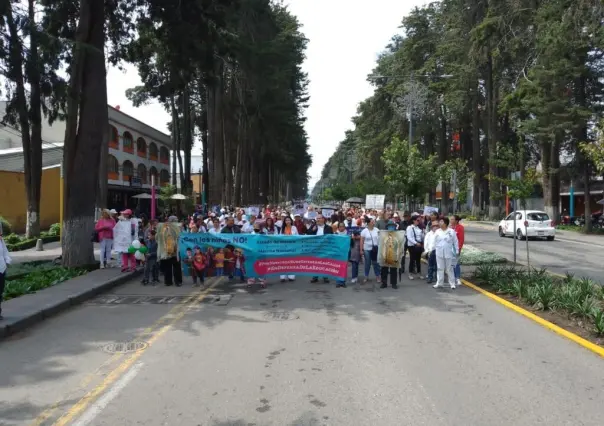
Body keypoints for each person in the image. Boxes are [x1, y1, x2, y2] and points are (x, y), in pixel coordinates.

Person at [433, 217, 459, 290]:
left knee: (449, 269)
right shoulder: (437, 231)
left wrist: (457, 250)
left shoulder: (451, 231)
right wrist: (432, 249)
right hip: (439, 252)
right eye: (439, 221)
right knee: (440, 268)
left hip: (448, 252)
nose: (440, 223)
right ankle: (439, 283)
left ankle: (452, 283)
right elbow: (434, 241)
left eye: (441, 221)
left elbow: (455, 241)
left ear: (446, 223)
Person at [307, 214, 333, 283]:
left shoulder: (328, 228)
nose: (318, 220)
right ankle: (315, 277)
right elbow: (308, 234)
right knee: (316, 263)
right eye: (317, 218)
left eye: (319, 218)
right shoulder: (313, 226)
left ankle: (325, 277)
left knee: (324, 262)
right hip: (316, 247)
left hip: (325, 247)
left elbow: (331, 238)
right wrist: (312, 230)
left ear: (323, 219)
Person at [379, 220, 400, 289]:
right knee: (384, 269)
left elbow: (400, 244)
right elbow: (381, 244)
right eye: (390, 226)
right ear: (387, 227)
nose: (391, 228)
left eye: (392, 226)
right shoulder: (383, 235)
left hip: (394, 253)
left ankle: (394, 283)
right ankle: (384, 283)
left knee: (393, 269)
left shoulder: (397, 235)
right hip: (385, 253)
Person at [360, 217, 381, 284]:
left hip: (375, 249)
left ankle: (377, 276)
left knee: (376, 263)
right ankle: (366, 276)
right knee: (367, 263)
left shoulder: (377, 230)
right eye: (372, 222)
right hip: (367, 249)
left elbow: (380, 239)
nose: (373, 223)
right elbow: (361, 241)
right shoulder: (364, 231)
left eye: (374, 222)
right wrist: (361, 250)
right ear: (368, 223)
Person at [279, 216, 298, 282]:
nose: (287, 221)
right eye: (286, 220)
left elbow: (297, 237)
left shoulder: (294, 228)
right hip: (284, 247)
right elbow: (279, 238)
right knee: (283, 262)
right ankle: (282, 277)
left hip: (292, 247)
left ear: (291, 221)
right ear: (284, 221)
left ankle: (291, 276)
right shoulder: (282, 228)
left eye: (289, 220)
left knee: (291, 261)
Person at [405, 215, 424, 280]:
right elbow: (409, 237)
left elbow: (421, 237)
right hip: (412, 246)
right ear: (413, 220)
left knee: (418, 260)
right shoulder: (410, 227)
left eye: (419, 220)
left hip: (418, 245)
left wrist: (423, 235)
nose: (418, 222)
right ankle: (410, 273)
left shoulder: (418, 228)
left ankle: (419, 273)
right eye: (417, 220)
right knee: (412, 260)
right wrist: (416, 243)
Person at [0, 225, 12, 320]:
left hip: (1, 269)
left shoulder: (0, 240)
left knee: (0, 291)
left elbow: (5, 252)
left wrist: (7, 261)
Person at [450, 214, 465, 287]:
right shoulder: (449, 228)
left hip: (455, 248)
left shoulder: (460, 228)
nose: (451, 220)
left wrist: (458, 249)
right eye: (450, 219)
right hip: (448, 248)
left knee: (456, 263)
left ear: (456, 221)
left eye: (452, 219)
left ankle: (457, 278)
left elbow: (461, 240)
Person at [335, 222, 349, 288]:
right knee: (337, 267)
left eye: (343, 226)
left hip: (345, 253)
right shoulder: (335, 234)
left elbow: (351, 244)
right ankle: (338, 282)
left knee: (344, 268)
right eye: (340, 226)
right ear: (338, 227)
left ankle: (343, 282)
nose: (341, 228)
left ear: (344, 227)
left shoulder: (348, 234)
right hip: (338, 253)